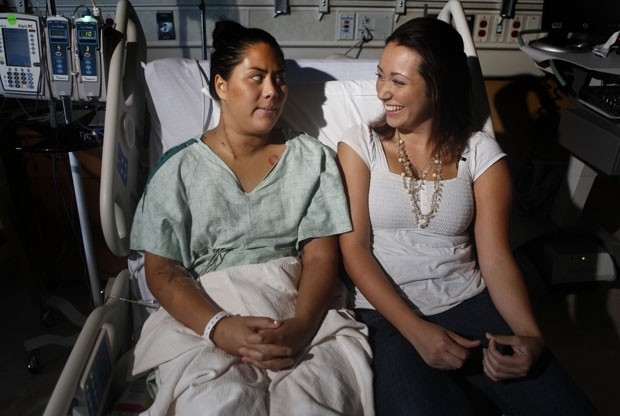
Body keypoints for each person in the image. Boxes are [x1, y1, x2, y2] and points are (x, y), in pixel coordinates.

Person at [337, 17, 598, 416]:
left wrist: (531, 337)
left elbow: (495, 257)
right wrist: (417, 331)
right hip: (386, 312)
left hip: (470, 303)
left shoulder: (481, 154)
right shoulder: (361, 145)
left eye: (398, 81)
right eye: (380, 76)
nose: (383, 91)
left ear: (438, 88)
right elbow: (353, 247)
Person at [129, 20, 373, 415]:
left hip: (302, 312)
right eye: (256, 78)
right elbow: (163, 271)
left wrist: (303, 325)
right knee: (217, 403)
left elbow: (319, 256)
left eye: (278, 79)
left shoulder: (312, 160)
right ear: (221, 85)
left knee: (314, 404)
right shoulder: (179, 169)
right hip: (207, 315)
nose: (273, 91)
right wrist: (218, 327)